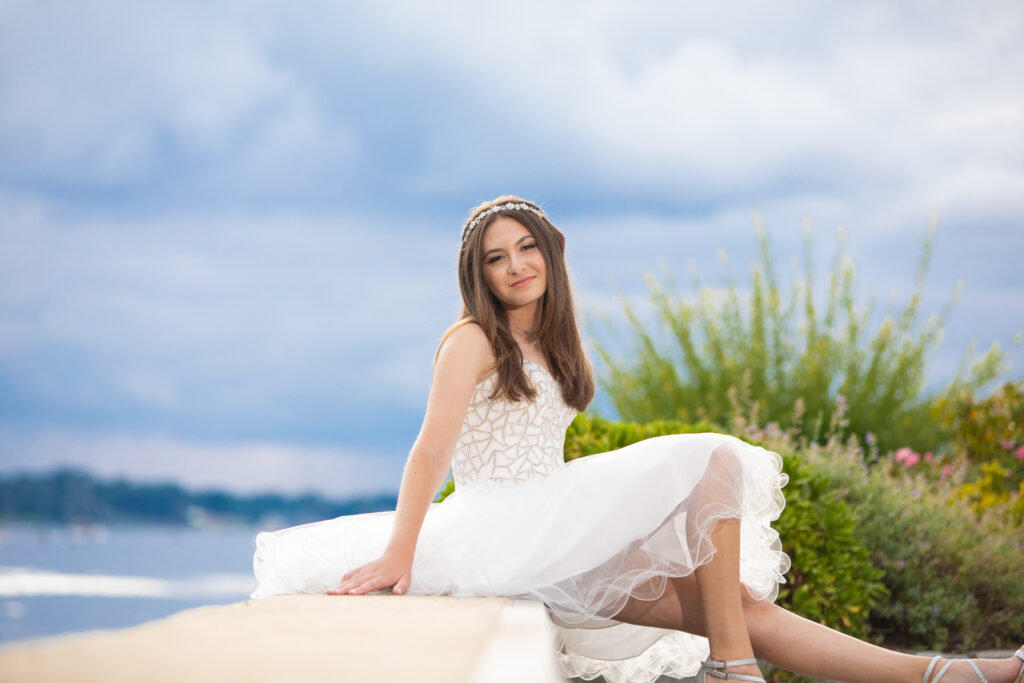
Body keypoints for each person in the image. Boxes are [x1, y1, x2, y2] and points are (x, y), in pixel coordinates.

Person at [251, 197, 1024, 683]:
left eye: (526, 248)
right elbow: (429, 451)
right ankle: (732, 666)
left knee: (742, 607)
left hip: (547, 529)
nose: (515, 265)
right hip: (502, 525)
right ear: (478, 275)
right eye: (496, 257)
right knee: (714, 457)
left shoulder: (551, 348)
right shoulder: (471, 341)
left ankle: (946, 673)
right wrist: (399, 552)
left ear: (549, 255)